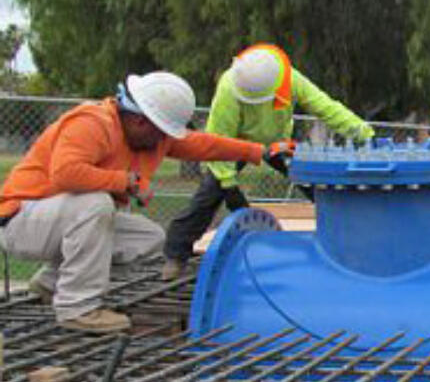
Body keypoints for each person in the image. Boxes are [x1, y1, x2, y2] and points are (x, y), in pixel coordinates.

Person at [0, 72, 270, 332]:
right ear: (141, 121)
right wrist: (125, 181)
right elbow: (65, 174)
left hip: (58, 222)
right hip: (20, 219)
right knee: (96, 205)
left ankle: (51, 283)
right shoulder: (94, 123)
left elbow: (204, 145)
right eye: (162, 132)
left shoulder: (152, 136)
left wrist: (260, 152)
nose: (164, 140)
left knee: (147, 238)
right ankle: (77, 309)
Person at [162, 44, 373, 278]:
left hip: (277, 143)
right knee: (209, 195)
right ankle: (175, 255)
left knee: (317, 185)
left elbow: (326, 108)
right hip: (237, 143)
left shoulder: (290, 79)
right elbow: (218, 138)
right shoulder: (229, 87)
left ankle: (348, 241)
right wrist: (228, 183)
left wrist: (363, 134)